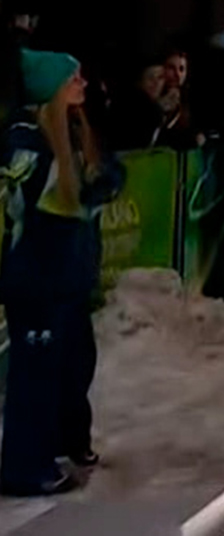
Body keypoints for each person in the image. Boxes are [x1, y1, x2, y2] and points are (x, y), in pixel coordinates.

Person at [0, 51, 125, 496]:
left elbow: (109, 173)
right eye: (73, 77)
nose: (83, 83)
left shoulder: (73, 129)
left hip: (68, 279)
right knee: (35, 375)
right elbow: (50, 200)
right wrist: (90, 187)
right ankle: (23, 466)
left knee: (74, 365)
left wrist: (104, 180)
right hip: (37, 280)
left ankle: (66, 440)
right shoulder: (25, 138)